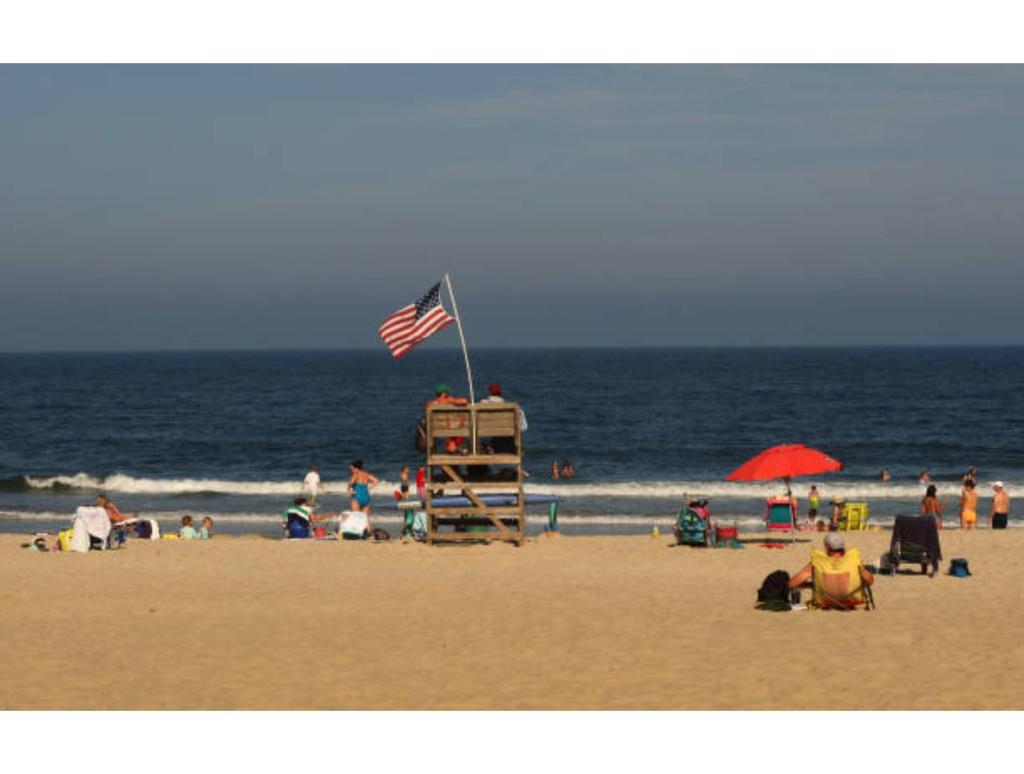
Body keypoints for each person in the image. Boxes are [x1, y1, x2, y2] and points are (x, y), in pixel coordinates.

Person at [787, 532, 874, 600]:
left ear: (827, 547)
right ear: (843, 547)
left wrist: (810, 585)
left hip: (826, 602)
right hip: (851, 601)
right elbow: (870, 581)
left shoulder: (818, 562)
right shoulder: (854, 561)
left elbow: (792, 583)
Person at [426, 385, 469, 453]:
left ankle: (450, 449)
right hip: (448, 429)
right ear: (444, 393)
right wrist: (451, 399)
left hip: (435, 431)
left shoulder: (430, 404)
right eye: (447, 392)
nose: (448, 394)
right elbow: (464, 401)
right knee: (460, 428)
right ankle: (454, 449)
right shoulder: (448, 400)